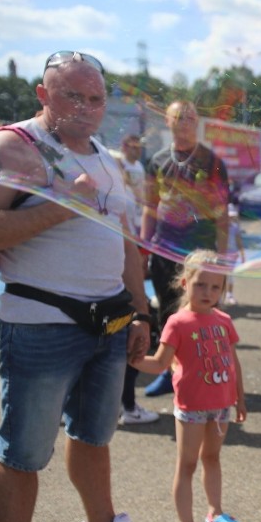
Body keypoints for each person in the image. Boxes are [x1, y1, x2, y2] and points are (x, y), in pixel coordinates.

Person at [0, 50, 157, 522]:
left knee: (93, 437)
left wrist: (140, 312)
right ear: (43, 95)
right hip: (40, 324)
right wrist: (65, 201)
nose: (85, 108)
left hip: (107, 324)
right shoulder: (15, 147)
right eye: (72, 96)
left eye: (95, 98)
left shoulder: (106, 159)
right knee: (22, 455)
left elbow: (127, 245)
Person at [130, 249, 246, 522]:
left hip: (221, 405)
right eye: (200, 284)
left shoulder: (223, 320)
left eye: (215, 287)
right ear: (185, 282)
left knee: (213, 459)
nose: (208, 292)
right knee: (187, 464)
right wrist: (132, 359)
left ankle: (215, 512)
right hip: (192, 409)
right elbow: (159, 364)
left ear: (223, 289)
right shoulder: (177, 323)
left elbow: (233, 363)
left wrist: (240, 400)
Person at [142, 99, 230, 397]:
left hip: (201, 252)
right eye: (179, 117)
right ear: (167, 121)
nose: (185, 122)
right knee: (168, 313)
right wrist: (144, 248)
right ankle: (170, 374)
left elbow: (221, 211)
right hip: (165, 248)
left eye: (191, 117)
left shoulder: (212, 160)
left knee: (204, 313)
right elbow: (150, 206)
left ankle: (206, 371)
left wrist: (223, 256)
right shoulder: (156, 160)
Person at [110, 134, 160, 425]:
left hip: (122, 279)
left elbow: (130, 238)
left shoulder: (123, 194)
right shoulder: (111, 196)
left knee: (126, 339)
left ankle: (126, 404)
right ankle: (125, 405)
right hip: (113, 284)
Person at [223, 204, 246, 306]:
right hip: (222, 254)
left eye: (231, 216)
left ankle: (229, 295)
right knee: (221, 275)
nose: (230, 218)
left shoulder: (234, 227)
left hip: (232, 254)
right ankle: (220, 296)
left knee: (230, 275)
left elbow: (238, 241)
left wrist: (242, 253)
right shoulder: (220, 227)